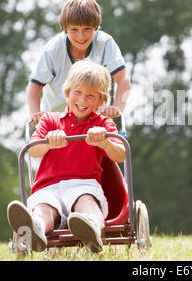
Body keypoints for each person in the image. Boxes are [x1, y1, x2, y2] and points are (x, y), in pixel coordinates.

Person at [7, 59, 126, 253]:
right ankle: (36, 229)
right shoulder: (50, 120)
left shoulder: (103, 124)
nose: (82, 100)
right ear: (67, 92)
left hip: (84, 183)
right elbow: (34, 151)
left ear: (100, 100)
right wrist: (47, 141)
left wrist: (104, 142)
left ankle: (92, 228)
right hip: (49, 186)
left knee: (86, 202)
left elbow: (120, 155)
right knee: (44, 208)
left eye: (91, 96)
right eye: (77, 92)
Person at [27, 0, 131, 123]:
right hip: (58, 122)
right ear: (65, 29)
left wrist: (117, 108)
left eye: (87, 29)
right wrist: (35, 114)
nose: (81, 36)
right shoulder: (53, 50)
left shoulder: (105, 43)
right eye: (74, 29)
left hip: (94, 123)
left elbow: (124, 80)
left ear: (96, 27)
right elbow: (34, 87)